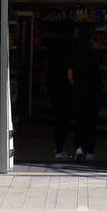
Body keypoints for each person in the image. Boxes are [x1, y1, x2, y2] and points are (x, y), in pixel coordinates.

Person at [71, 27, 103, 162]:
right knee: (91, 122)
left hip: (79, 93)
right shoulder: (96, 54)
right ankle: (90, 151)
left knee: (79, 121)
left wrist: (76, 87)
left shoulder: (76, 54)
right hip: (93, 93)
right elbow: (100, 72)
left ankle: (79, 148)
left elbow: (70, 75)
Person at [45, 26, 74, 160]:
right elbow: (70, 74)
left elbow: (46, 65)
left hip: (53, 86)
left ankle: (57, 147)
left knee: (57, 118)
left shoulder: (52, 47)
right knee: (63, 119)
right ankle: (60, 148)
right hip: (65, 89)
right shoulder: (70, 49)